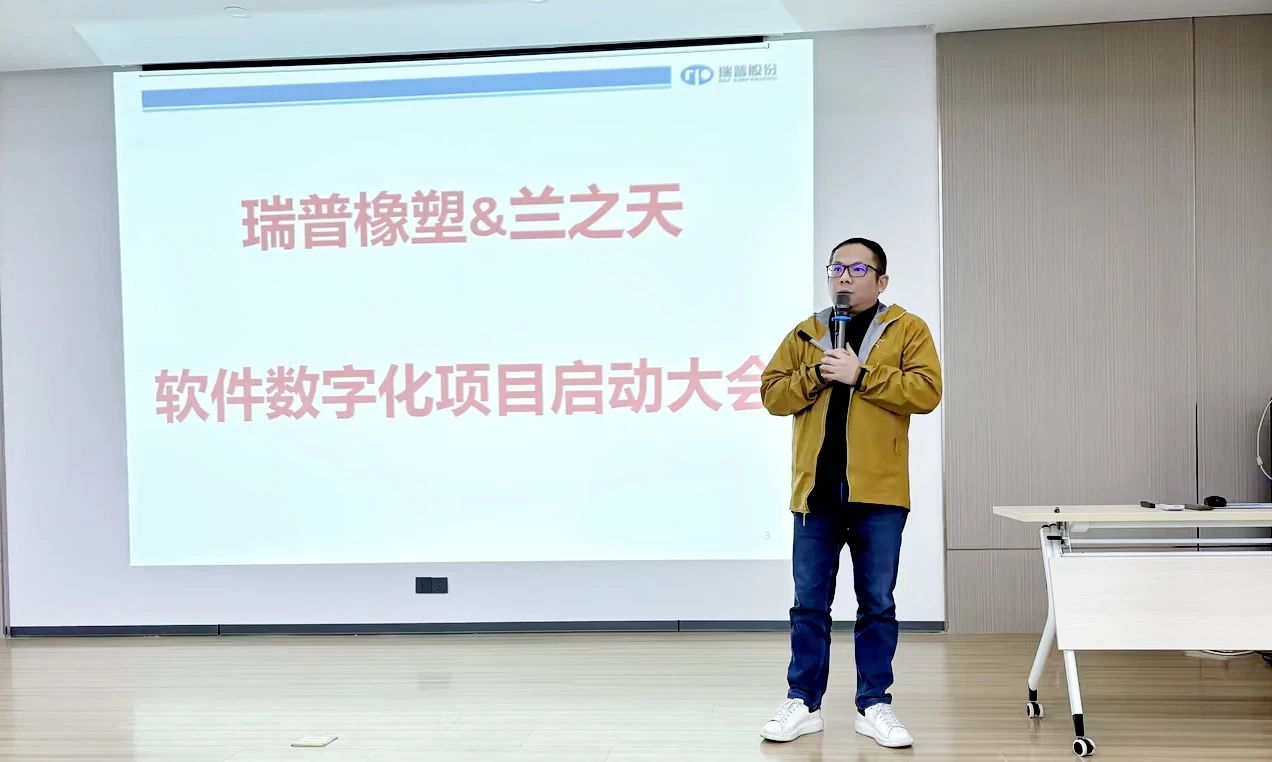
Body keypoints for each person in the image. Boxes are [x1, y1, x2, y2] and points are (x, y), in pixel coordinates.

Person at [757, 237, 942, 747]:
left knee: (877, 603)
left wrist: (862, 375)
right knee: (809, 605)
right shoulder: (808, 332)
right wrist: (817, 373)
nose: (844, 276)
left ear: (881, 281)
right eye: (836, 267)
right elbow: (772, 393)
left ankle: (874, 704)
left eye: (858, 269)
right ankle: (803, 702)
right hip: (815, 493)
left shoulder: (907, 329)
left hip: (878, 495)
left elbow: (926, 391)